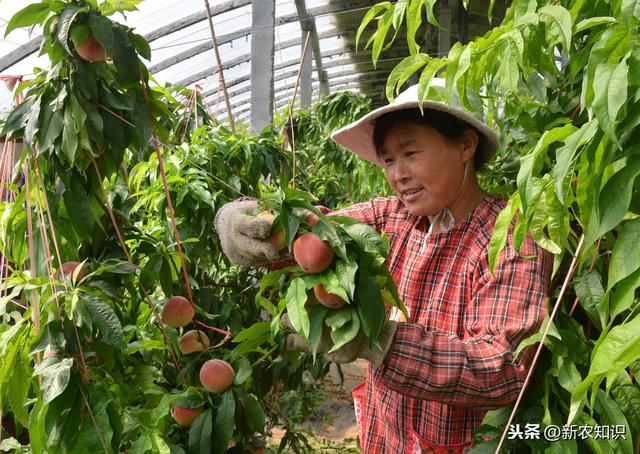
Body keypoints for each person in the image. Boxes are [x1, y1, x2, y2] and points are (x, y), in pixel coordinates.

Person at [214, 82, 551, 453]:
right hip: (383, 435)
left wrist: (380, 342)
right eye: (388, 160)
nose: (398, 174)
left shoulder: (509, 237)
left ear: (465, 145)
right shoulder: (392, 217)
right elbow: (314, 234)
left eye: (410, 152)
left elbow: (502, 366)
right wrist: (245, 224)